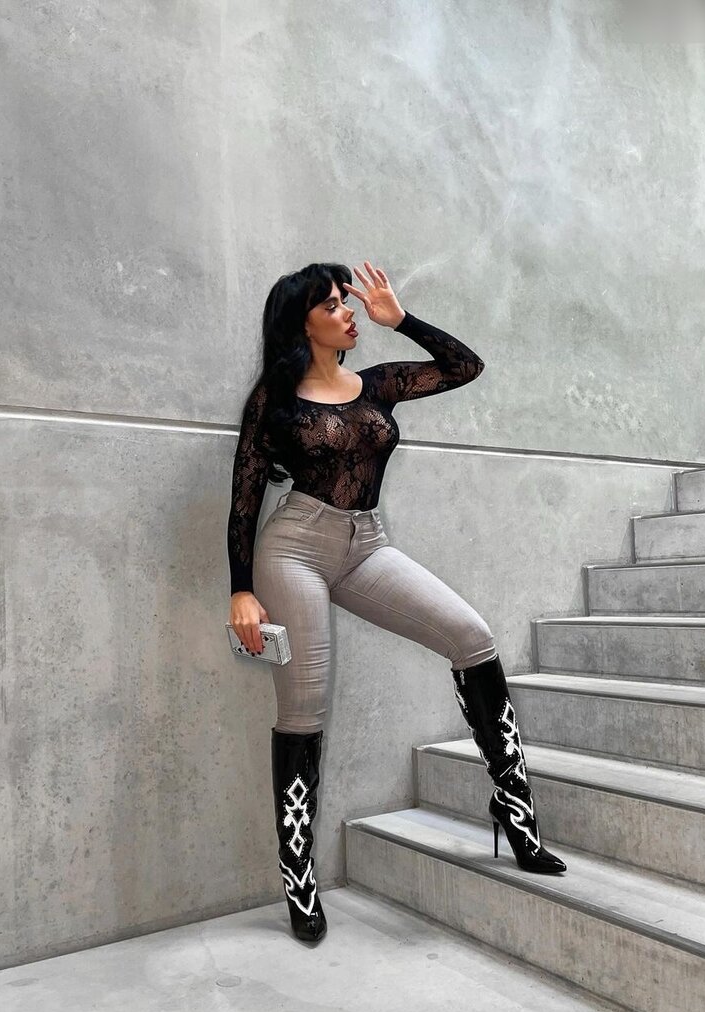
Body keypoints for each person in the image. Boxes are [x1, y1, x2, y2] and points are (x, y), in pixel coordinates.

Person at [227, 260, 566, 945]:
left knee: (472, 636)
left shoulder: (378, 383)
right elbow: (245, 495)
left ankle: (515, 813)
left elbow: (464, 366)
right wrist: (240, 589)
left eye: (345, 301)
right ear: (302, 323)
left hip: (367, 544)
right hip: (293, 550)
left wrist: (401, 318)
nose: (347, 311)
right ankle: (299, 879)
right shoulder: (275, 400)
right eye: (332, 305)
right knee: (304, 707)